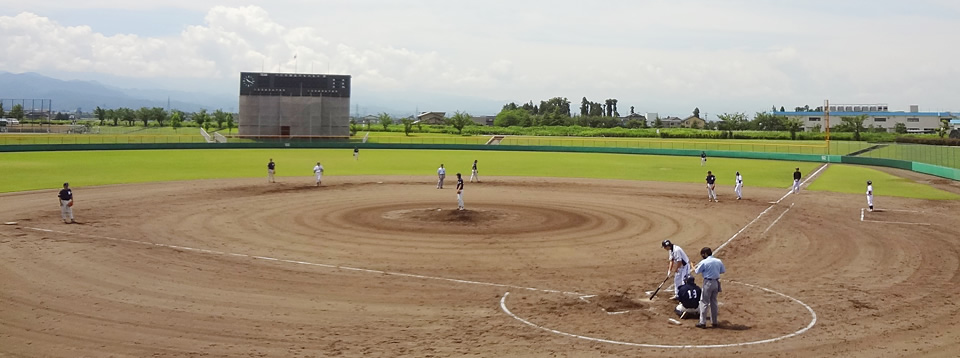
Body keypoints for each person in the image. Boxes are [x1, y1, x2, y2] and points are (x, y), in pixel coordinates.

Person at [694, 247, 726, 328]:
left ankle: (702, 322)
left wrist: (696, 268)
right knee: (714, 302)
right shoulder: (718, 261)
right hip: (716, 282)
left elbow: (697, 271)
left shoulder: (704, 262)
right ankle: (714, 322)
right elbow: (722, 271)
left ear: (705, 254)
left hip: (708, 283)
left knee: (704, 302)